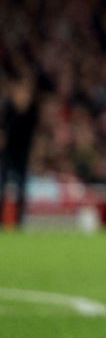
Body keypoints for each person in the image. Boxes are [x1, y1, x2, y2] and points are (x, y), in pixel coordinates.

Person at [2, 70, 40, 230]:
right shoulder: (9, 108)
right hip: (7, 153)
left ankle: (19, 221)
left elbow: (33, 135)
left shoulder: (32, 111)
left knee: (22, 189)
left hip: (23, 154)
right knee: (3, 186)